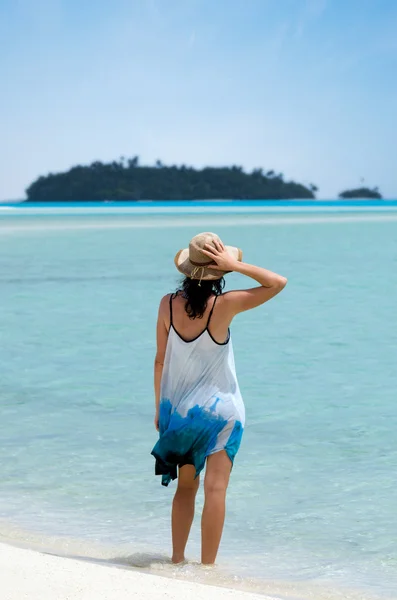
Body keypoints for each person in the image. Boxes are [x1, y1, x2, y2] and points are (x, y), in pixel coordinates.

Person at [151, 232, 287, 565]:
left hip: (182, 414)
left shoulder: (168, 303)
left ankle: (178, 560)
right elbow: (277, 283)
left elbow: (159, 360)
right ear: (219, 271)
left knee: (186, 489)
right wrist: (235, 265)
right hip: (224, 411)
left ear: (187, 270)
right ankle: (208, 569)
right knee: (216, 491)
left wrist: (160, 409)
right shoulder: (225, 305)